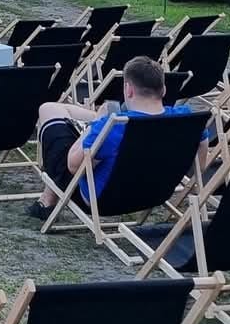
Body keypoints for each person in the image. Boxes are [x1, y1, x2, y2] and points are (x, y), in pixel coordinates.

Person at [31, 55, 205, 217]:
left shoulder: (114, 128)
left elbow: (73, 167)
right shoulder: (188, 118)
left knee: (48, 112)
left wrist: (94, 126)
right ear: (164, 89)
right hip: (156, 194)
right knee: (54, 109)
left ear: (128, 90)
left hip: (103, 201)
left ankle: (47, 201)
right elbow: (202, 150)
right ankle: (47, 199)